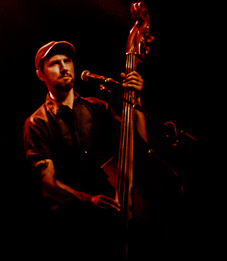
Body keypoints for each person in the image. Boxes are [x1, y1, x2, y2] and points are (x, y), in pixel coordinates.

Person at [22, 40, 144, 213]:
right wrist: (89, 200)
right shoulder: (37, 122)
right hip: (71, 218)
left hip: (111, 210)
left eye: (67, 61)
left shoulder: (98, 108)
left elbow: (138, 145)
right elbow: (46, 184)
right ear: (40, 74)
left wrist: (136, 102)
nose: (64, 68)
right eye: (55, 63)